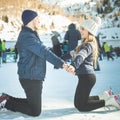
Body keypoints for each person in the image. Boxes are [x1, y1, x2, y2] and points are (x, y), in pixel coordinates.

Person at [0, 9, 75, 116]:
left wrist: (65, 57)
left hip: (32, 75)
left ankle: (5, 99)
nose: (39, 21)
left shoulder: (31, 34)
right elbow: (44, 52)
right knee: (35, 111)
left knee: (33, 105)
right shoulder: (27, 36)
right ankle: (6, 102)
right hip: (30, 77)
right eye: (37, 19)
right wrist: (62, 64)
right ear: (31, 20)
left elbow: (45, 51)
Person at [69, 17, 120, 112]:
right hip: (84, 77)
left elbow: (81, 55)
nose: (80, 31)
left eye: (83, 29)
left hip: (87, 78)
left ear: (90, 30)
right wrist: (58, 59)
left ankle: (110, 102)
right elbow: (71, 53)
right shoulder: (82, 44)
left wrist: (73, 65)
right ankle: (103, 96)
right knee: (78, 103)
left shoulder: (89, 45)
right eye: (80, 28)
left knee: (81, 106)